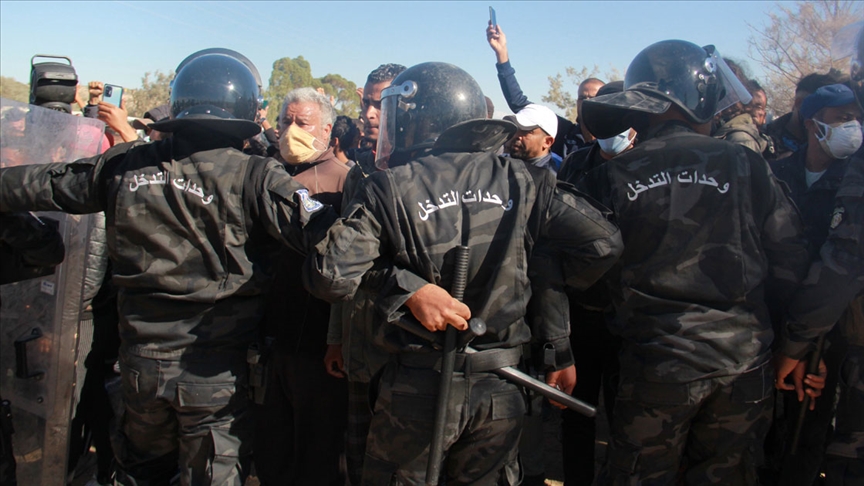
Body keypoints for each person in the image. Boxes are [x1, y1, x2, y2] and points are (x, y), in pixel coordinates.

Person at [0, 50, 336, 486]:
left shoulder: (125, 165)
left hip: (140, 367)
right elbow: (334, 245)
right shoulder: (256, 176)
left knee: (142, 472)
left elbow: (34, 185)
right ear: (246, 110)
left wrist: (36, 242)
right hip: (213, 375)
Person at [306, 61, 623, 484]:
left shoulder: (391, 185)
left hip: (418, 389)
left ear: (421, 119)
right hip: (501, 391)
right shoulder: (525, 180)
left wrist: (403, 287)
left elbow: (330, 276)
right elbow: (603, 244)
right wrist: (534, 271)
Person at [577, 39, 811, 484]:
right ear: (702, 99)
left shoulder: (610, 175)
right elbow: (789, 259)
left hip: (654, 367)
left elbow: (587, 275)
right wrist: (789, 343)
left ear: (639, 106)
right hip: (744, 365)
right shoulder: (749, 165)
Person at [774, 21, 864, 485]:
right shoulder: (776, 174)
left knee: (809, 444)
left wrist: (813, 345)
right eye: (841, 117)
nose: (853, 126)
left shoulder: (855, 182)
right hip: (774, 328)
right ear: (812, 124)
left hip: (828, 337)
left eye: (856, 116)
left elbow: (844, 270)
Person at [255, 86, 349, 486]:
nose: (290, 131)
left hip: (316, 343)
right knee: (272, 448)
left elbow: (349, 269)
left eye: (302, 123)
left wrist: (338, 338)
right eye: (285, 122)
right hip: (268, 337)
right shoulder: (262, 173)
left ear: (326, 129)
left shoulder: (345, 182)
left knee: (318, 451)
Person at [324, 62, 406, 486]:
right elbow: (344, 266)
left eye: (382, 104)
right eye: (366, 104)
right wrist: (336, 337)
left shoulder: (424, 178)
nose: (370, 115)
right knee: (358, 460)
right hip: (359, 345)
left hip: (407, 355)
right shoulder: (359, 174)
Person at [486, 22, 602, 158]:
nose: (586, 102)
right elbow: (518, 103)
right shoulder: (563, 132)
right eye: (582, 98)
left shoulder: (613, 143)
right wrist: (502, 54)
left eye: (593, 98)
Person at [764, 71, 847, 161]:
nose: (824, 116)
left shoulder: (833, 144)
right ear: (799, 103)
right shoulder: (764, 140)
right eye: (820, 108)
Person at [503, 103, 560, 173]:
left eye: (527, 131)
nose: (517, 135)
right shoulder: (500, 164)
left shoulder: (552, 178)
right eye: (516, 128)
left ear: (547, 142)